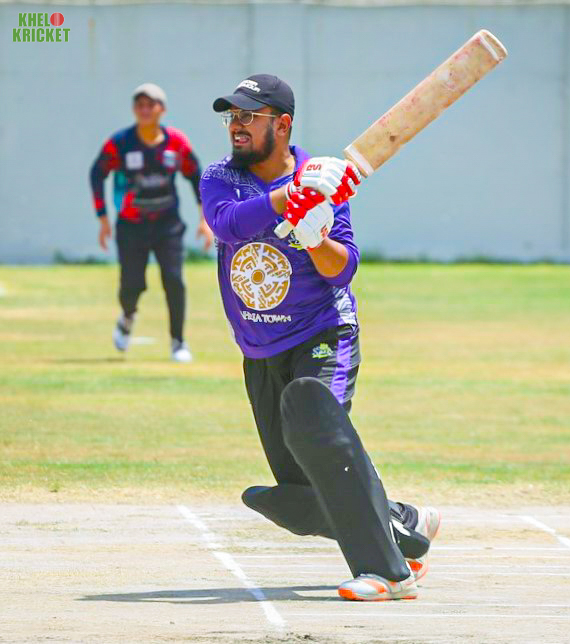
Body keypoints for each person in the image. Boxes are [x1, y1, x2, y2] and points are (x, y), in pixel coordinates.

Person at [199, 74, 440, 601]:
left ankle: (389, 572)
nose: (236, 125)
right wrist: (289, 198)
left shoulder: (325, 180)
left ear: (282, 124)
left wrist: (314, 237)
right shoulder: (220, 176)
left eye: (249, 116)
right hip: (260, 349)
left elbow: (342, 268)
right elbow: (227, 224)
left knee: (317, 430)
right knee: (299, 491)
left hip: (323, 331)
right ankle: (399, 521)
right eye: (232, 116)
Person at [89, 83, 213, 362]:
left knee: (174, 280)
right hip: (131, 224)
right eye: (140, 105)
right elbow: (97, 173)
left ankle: (178, 342)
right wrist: (103, 218)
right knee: (132, 284)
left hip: (167, 224)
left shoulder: (176, 142)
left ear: (162, 109)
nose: (145, 110)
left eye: (151, 104)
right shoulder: (120, 143)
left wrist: (204, 219)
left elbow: (197, 176)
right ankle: (127, 316)